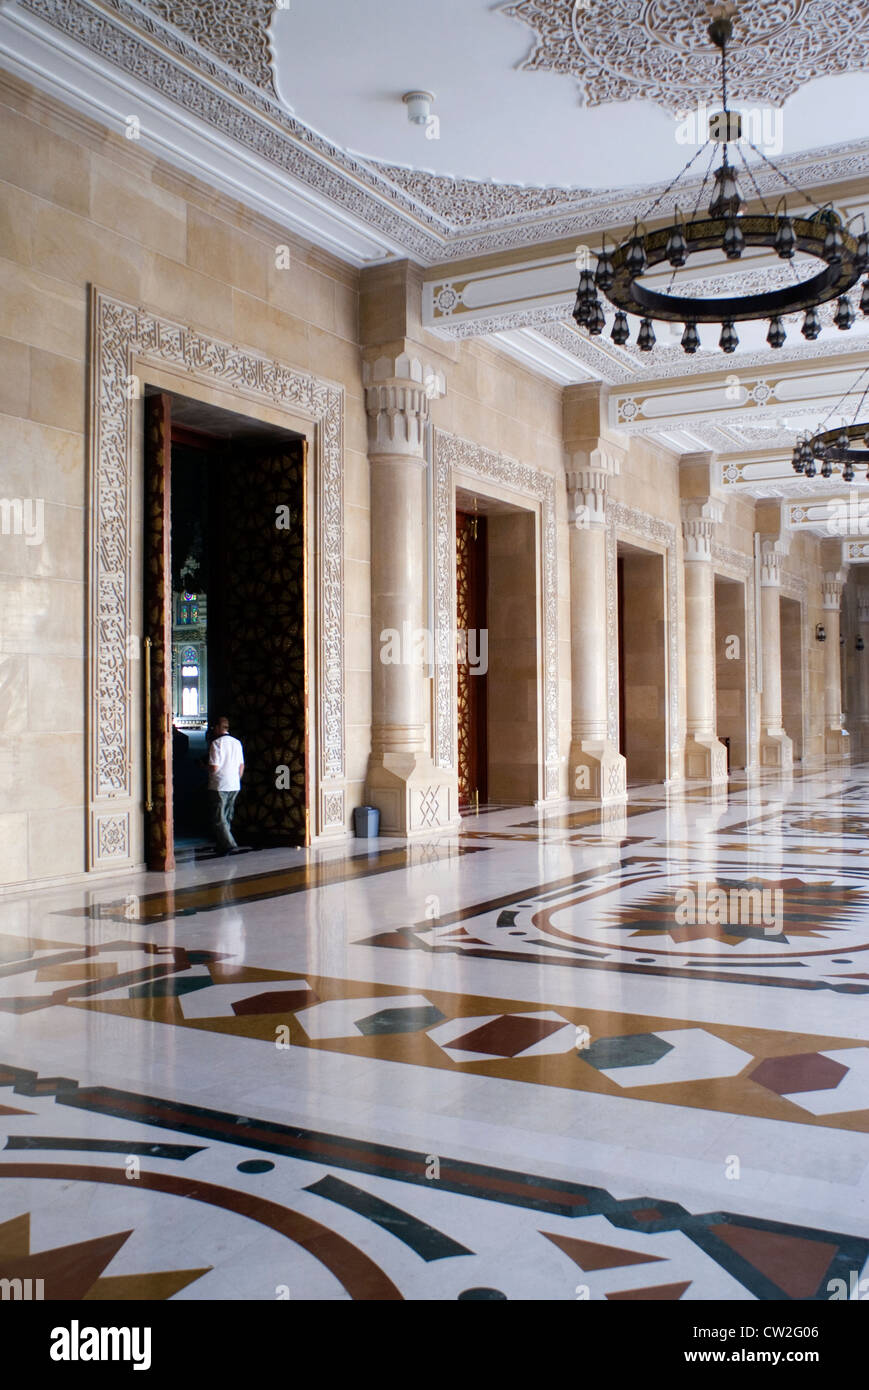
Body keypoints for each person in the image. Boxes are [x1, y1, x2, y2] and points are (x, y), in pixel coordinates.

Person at [207, 715, 244, 855]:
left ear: (217, 727)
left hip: (219, 784)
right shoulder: (237, 743)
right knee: (227, 816)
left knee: (218, 817)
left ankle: (229, 843)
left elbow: (214, 767)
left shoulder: (216, 744)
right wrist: (236, 779)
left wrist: (204, 767)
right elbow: (241, 765)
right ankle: (222, 845)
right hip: (234, 784)